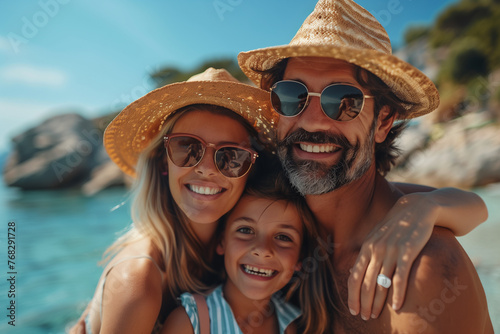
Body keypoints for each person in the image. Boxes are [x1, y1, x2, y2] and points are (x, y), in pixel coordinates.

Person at [68, 67, 487, 334]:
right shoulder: (139, 277)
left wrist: (428, 207)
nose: (208, 169)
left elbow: (461, 203)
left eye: (230, 156)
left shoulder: (261, 217)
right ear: (162, 160)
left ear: (250, 167)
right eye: (186, 149)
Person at [238, 0, 493, 332]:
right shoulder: (268, 222)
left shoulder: (420, 272)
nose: (313, 122)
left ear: (384, 120)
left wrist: (428, 205)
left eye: (343, 102)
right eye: (291, 95)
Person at [161, 164, 322, 333]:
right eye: (245, 230)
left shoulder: (293, 325)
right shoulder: (190, 322)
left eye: (283, 237)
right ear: (222, 241)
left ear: (300, 257)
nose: (262, 250)